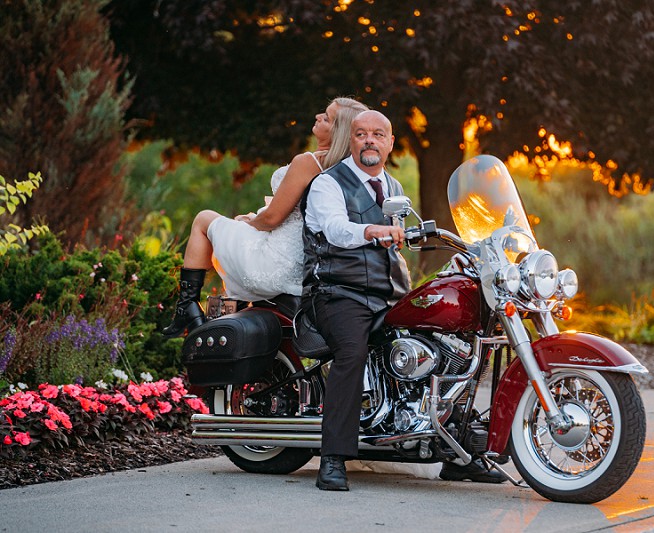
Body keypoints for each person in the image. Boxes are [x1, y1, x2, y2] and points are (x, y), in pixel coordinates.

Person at [301, 110, 503, 491]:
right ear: (351, 141)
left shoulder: (393, 187)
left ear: (391, 143)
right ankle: (333, 458)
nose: (369, 141)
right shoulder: (328, 184)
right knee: (352, 351)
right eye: (361, 134)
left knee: (457, 342)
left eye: (378, 134)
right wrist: (374, 230)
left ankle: (459, 453)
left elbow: (409, 233)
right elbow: (335, 230)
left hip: (387, 294)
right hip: (337, 292)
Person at [162, 97, 369, 338]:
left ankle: (186, 307)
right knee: (229, 230)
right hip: (304, 266)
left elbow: (272, 219)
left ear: (339, 131)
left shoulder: (309, 162)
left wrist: (250, 222)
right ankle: (210, 311)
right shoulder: (352, 171)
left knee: (203, 219)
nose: (317, 117)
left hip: (275, 263)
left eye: (326, 117)